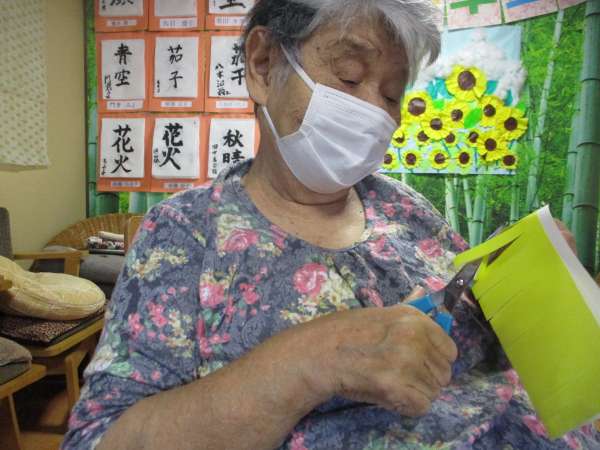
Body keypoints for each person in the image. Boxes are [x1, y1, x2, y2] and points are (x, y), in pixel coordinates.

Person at [63, 1, 600, 449]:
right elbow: (100, 440)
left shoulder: (405, 207)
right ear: (263, 64)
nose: (374, 111)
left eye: (392, 94)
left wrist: (518, 283)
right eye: (349, 76)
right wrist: (315, 360)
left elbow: (468, 319)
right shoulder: (185, 235)